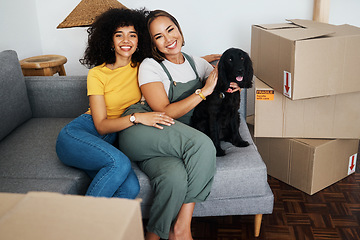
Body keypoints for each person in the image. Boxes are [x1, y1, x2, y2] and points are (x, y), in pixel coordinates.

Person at [118, 9, 240, 240]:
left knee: (174, 178)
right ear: (153, 44)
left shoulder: (197, 63)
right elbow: (162, 111)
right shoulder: (150, 65)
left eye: (170, 30)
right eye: (158, 36)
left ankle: (153, 236)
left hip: (169, 138)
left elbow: (222, 79)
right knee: (203, 146)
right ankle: (181, 229)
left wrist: (233, 84)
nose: (168, 39)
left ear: (180, 30)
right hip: (143, 128)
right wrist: (203, 92)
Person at [55, 8, 175, 199]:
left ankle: (104, 228)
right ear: (110, 40)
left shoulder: (145, 67)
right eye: (119, 35)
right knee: (119, 163)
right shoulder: (97, 73)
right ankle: (78, 225)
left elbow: (175, 63)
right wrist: (137, 118)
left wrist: (205, 61)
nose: (126, 40)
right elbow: (101, 126)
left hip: (109, 141)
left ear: (140, 40)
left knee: (130, 189)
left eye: (132, 35)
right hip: (79, 134)